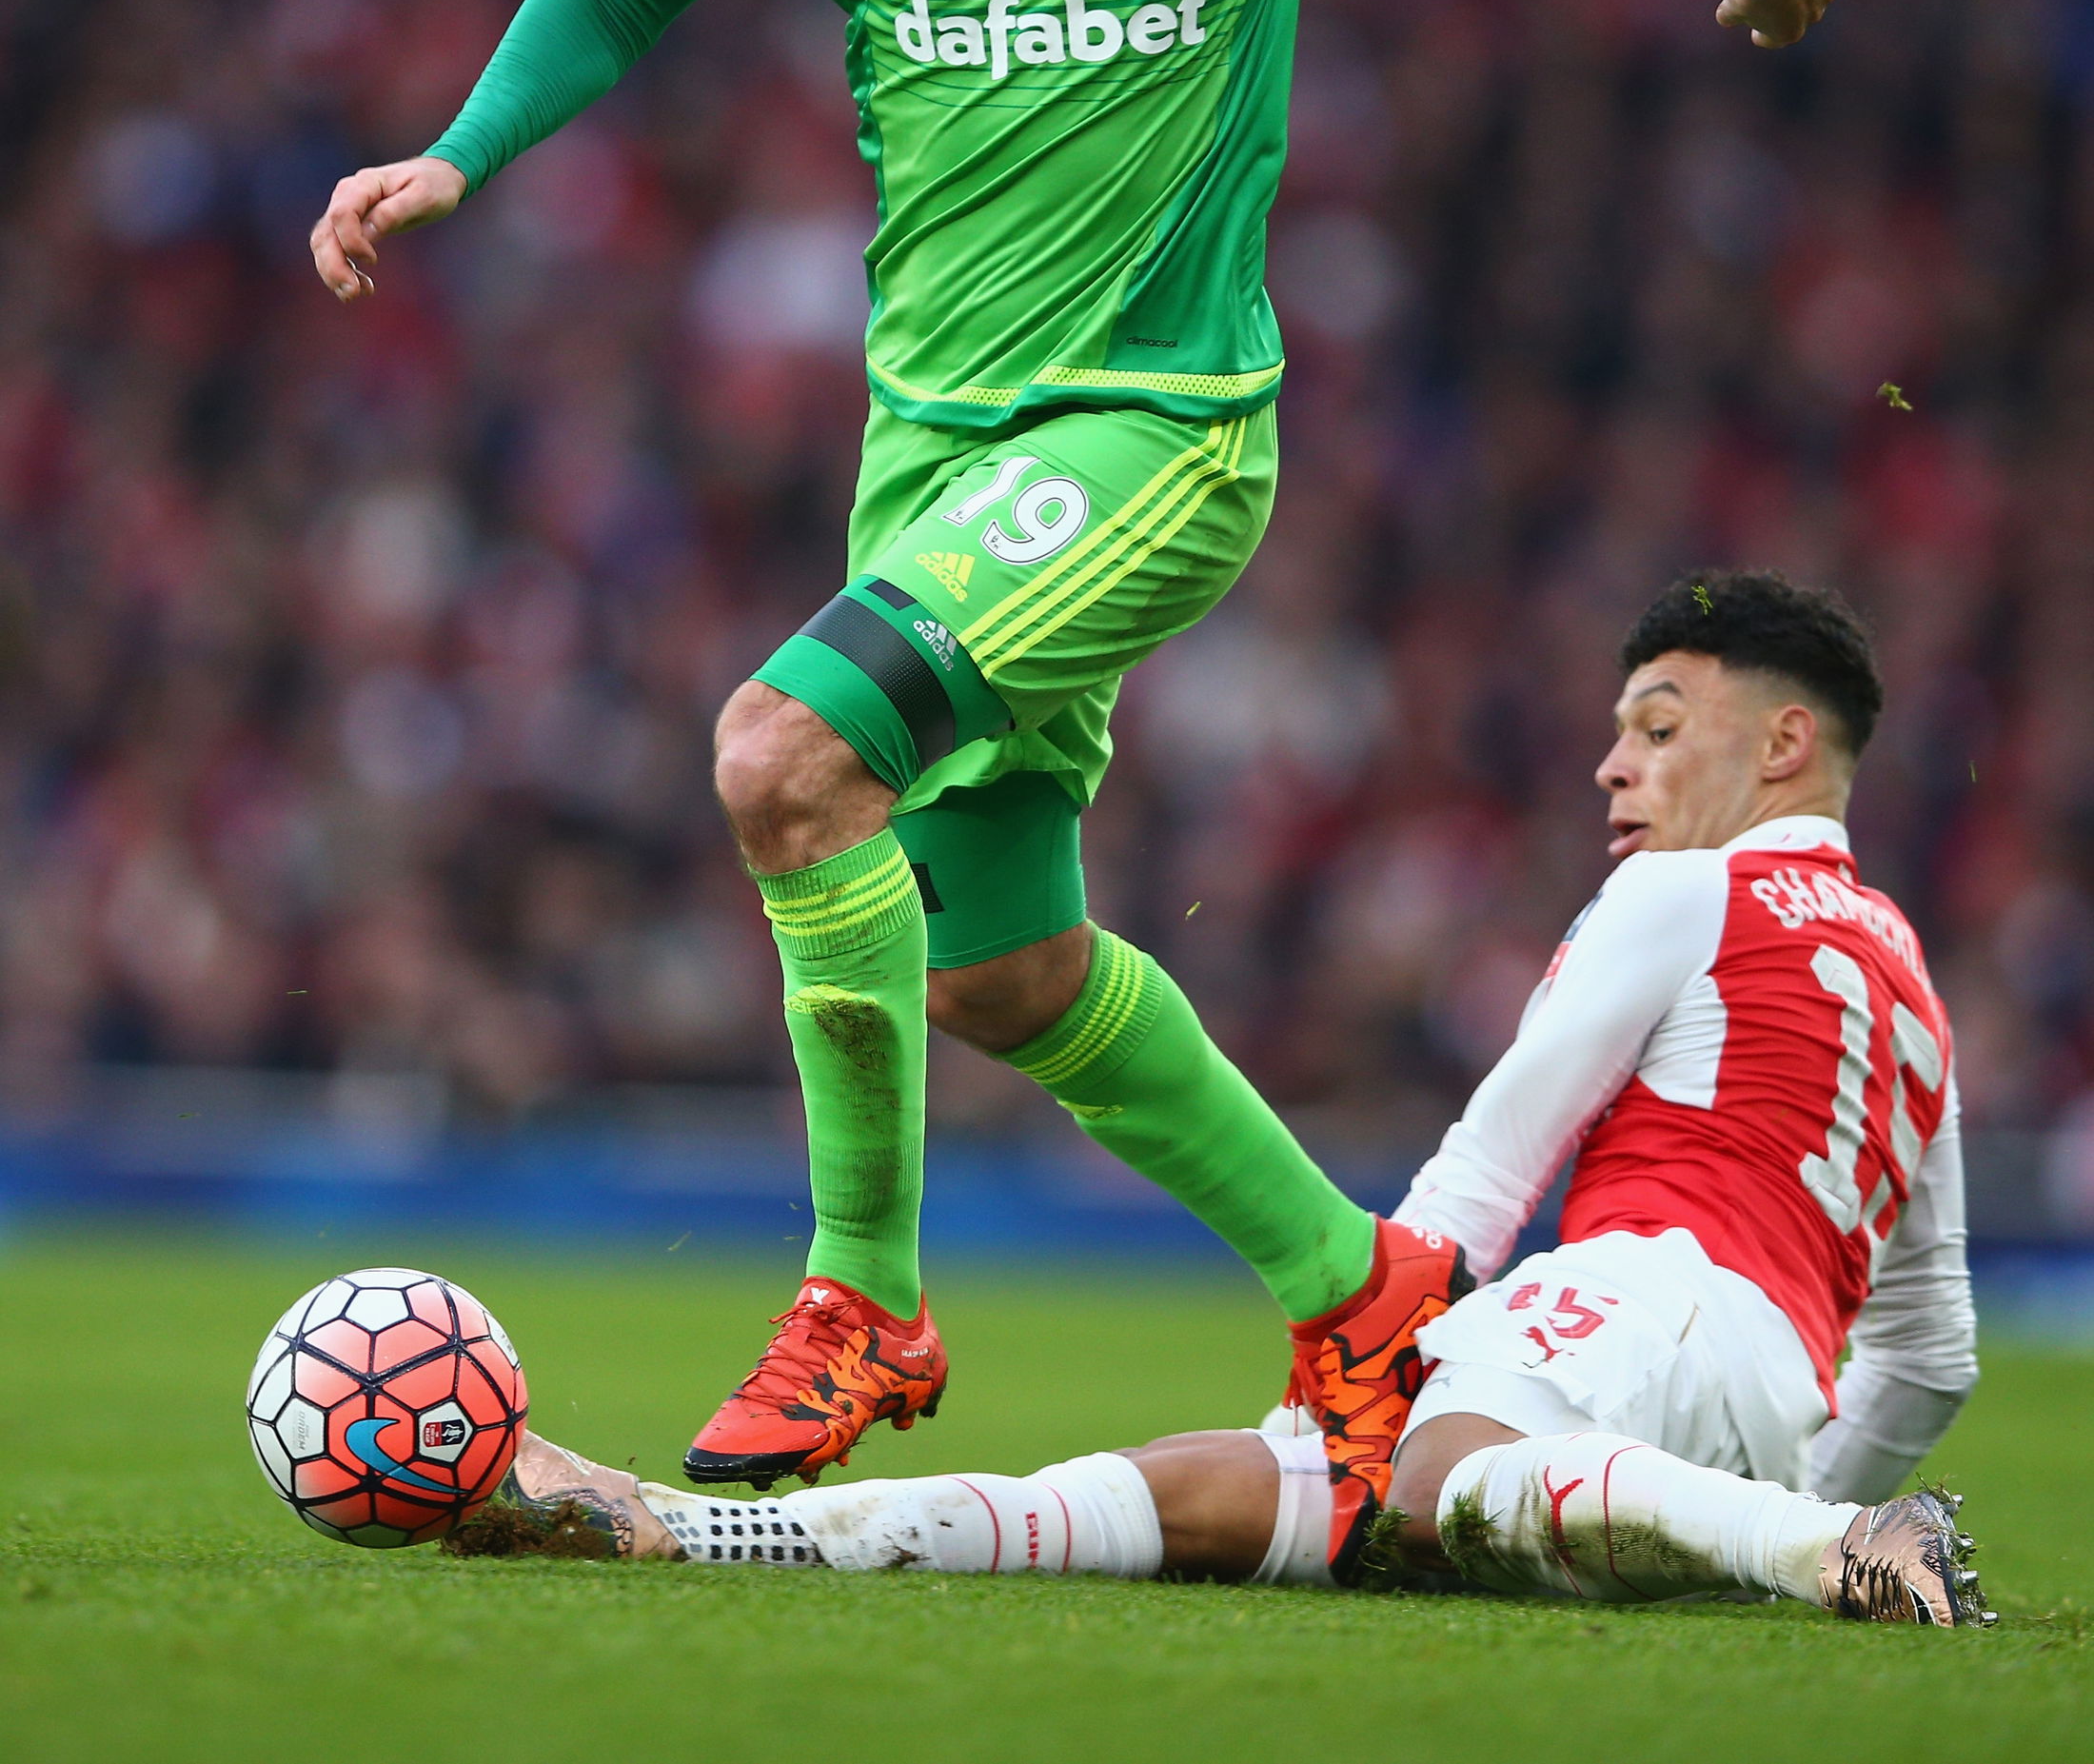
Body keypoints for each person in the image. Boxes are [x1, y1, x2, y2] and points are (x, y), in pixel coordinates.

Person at [307, 0, 1843, 1505]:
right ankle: (1363, 1291)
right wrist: (462, 151)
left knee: (780, 755)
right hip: (931, 453)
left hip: (1154, 424)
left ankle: (863, 1293)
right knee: (1003, 970)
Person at [446, 573, 1986, 1625]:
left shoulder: (1686, 891)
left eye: (1657, 727)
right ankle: (682, 1522)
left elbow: (1487, 1164)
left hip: (1639, 1301)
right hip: (1739, 1386)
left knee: (1426, 1475)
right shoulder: (1912, 984)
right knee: (1204, 1499)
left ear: (1785, 743)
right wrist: (1768, 1479)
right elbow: (1930, 1352)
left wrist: (1374, 1350)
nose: (1612, 767)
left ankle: (1827, 1549)